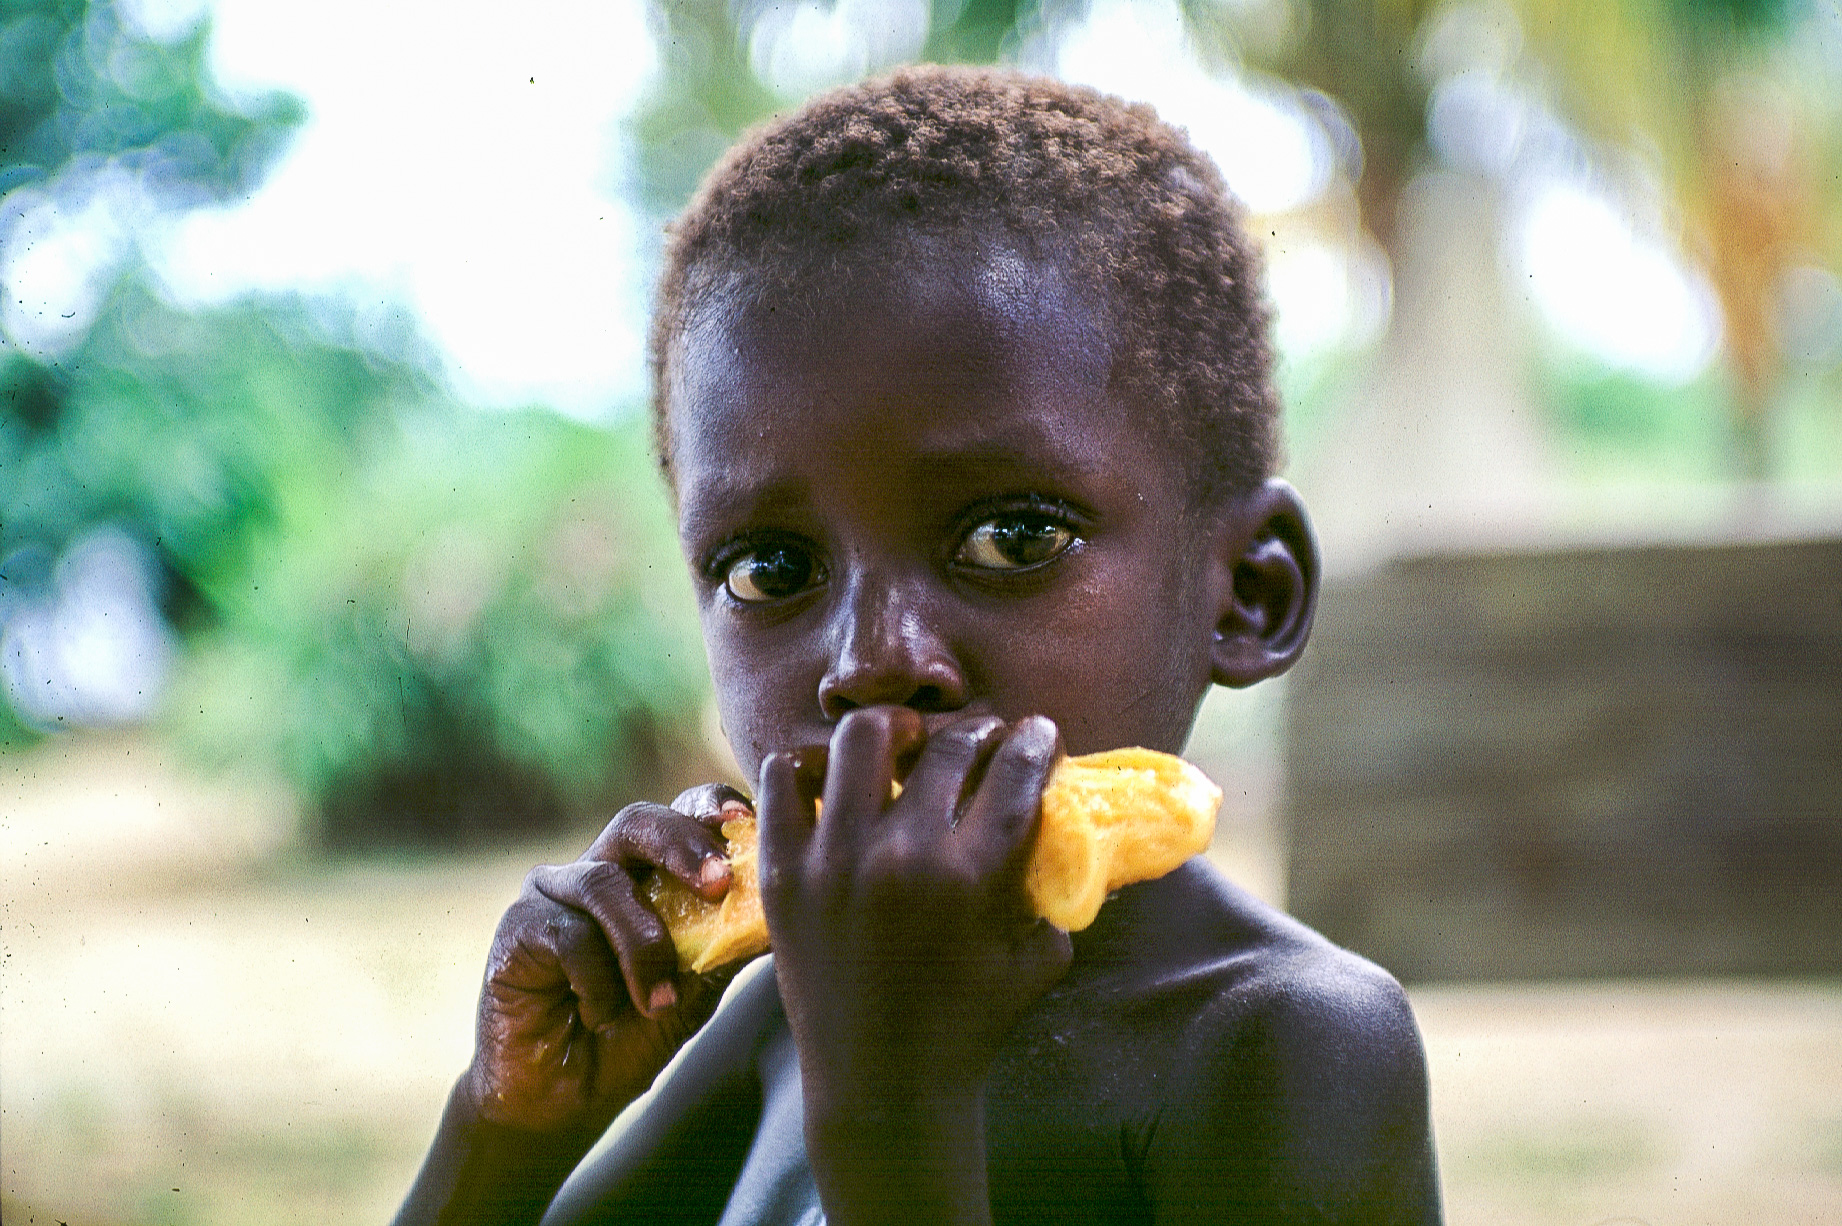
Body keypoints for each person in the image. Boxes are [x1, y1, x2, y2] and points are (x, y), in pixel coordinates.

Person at [395, 65, 1441, 1226]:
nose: (872, 658)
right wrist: (509, 1125)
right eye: (771, 569)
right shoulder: (778, 1016)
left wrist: (889, 1098)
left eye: (1010, 536)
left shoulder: (1283, 1041)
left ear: (1248, 593)